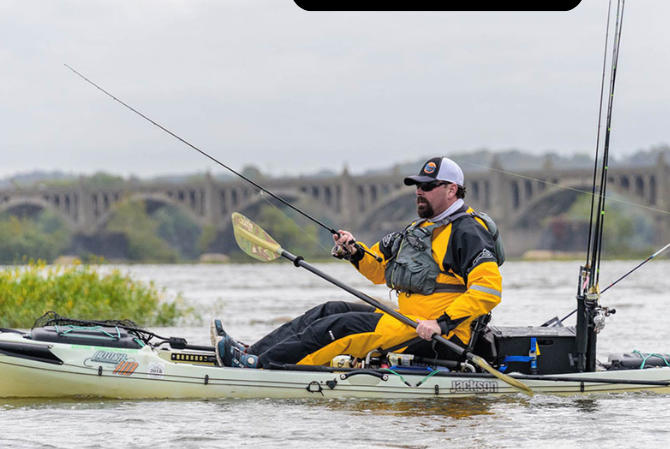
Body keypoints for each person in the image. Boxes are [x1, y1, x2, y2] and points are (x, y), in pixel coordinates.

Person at [211, 156, 503, 368]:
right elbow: (378, 270)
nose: (418, 191)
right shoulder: (419, 230)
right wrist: (354, 251)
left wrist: (440, 323)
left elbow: (488, 290)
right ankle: (250, 351)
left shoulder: (468, 231)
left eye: (427, 186)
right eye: (417, 185)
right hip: (407, 321)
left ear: (452, 189)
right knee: (330, 309)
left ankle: (259, 366)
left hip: (441, 336)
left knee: (342, 326)